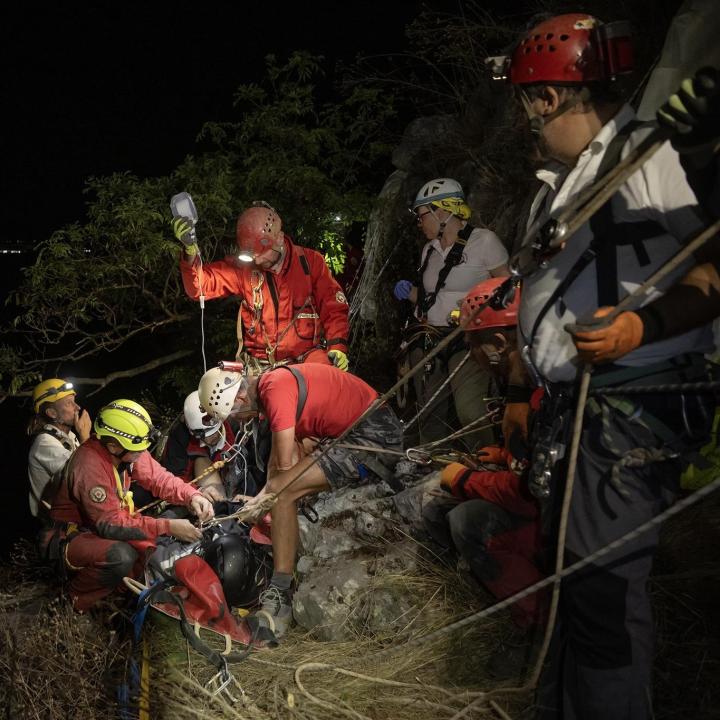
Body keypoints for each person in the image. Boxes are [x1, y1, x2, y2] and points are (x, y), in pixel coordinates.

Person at [495, 14, 719, 719]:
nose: (529, 118)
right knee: (575, 581)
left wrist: (638, 326)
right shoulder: (571, 178)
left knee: (602, 592)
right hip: (583, 409)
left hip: (629, 405)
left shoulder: (647, 157)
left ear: (550, 97)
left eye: (530, 102)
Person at [197, 361, 403, 642]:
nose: (240, 421)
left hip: (372, 438)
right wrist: (258, 499)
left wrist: (264, 501)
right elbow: (276, 464)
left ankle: (280, 589)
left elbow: (283, 471)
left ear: (241, 398)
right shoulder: (272, 385)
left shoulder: (275, 390)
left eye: (236, 415)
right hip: (361, 430)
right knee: (280, 485)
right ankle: (282, 576)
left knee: (283, 492)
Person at [421, 278, 546, 676]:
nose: (470, 353)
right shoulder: (535, 386)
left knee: (466, 520)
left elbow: (528, 494)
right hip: (566, 513)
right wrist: (507, 454)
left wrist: (462, 480)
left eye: (472, 344)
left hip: (561, 526)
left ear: (498, 343)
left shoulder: (539, 400)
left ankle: (538, 623)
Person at [46, 399, 214, 612]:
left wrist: (192, 496)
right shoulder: (89, 465)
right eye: (137, 451)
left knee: (150, 540)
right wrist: (168, 527)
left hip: (100, 525)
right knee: (121, 556)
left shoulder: (126, 450)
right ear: (113, 446)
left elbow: (158, 478)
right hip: (71, 536)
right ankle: (70, 603)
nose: (141, 455)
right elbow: (109, 524)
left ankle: (116, 597)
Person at [393, 178, 509, 448]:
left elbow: (508, 288)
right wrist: (412, 294)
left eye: (422, 215)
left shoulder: (484, 242)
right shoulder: (429, 251)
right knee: (428, 412)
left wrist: (481, 314)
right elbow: (433, 297)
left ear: (442, 212)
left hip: (469, 338)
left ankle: (486, 464)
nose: (419, 223)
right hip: (431, 337)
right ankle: (431, 469)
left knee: (470, 410)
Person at [173, 202, 351, 372]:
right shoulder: (243, 268)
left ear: (279, 238)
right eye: (251, 256)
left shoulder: (310, 263)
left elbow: (333, 308)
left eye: (262, 254)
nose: (257, 261)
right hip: (261, 366)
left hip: (306, 358)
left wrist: (337, 346)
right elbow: (199, 287)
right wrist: (190, 253)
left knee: (329, 380)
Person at [159, 390, 257, 503]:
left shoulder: (237, 428)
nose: (212, 438)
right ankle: (223, 504)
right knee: (200, 460)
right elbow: (173, 478)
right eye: (205, 435)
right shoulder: (179, 437)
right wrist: (196, 492)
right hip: (195, 489)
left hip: (235, 483)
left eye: (215, 431)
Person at [27, 378, 92, 522]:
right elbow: (85, 476)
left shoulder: (69, 436)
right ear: (52, 413)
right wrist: (85, 437)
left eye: (74, 401)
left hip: (72, 517)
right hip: (55, 527)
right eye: (69, 403)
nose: (78, 407)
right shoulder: (44, 443)